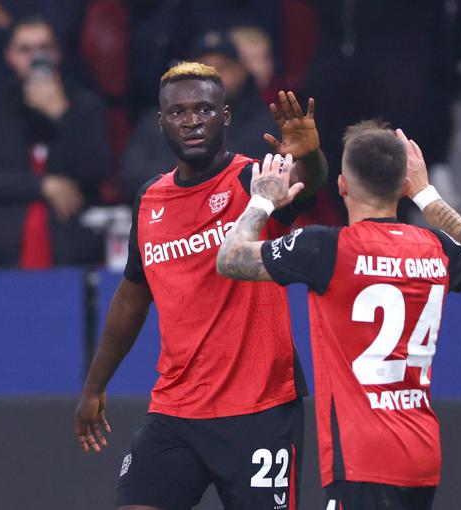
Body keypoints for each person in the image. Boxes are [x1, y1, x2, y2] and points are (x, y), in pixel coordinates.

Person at [74, 62, 327, 510]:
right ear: (160, 122)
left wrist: (311, 156)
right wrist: (94, 387)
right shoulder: (150, 199)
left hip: (260, 409)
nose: (191, 120)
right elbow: (133, 295)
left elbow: (306, 187)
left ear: (226, 116)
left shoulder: (254, 182)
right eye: (178, 112)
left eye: (205, 110)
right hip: (176, 410)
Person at [216, 120, 461, 509]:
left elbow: (228, 259)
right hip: (421, 452)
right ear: (402, 186)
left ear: (342, 185)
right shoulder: (434, 248)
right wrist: (427, 194)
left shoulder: (325, 249)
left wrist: (262, 199)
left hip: (364, 457)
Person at [0, 15, 108, 267]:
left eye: (44, 48)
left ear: (58, 54)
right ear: (9, 56)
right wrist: (42, 185)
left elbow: (96, 169)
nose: (36, 58)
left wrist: (62, 114)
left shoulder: (85, 106)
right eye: (25, 49)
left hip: (71, 244)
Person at [120, 31, 277, 202]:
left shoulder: (264, 123)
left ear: (240, 70)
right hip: (165, 211)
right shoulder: (157, 120)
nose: (212, 76)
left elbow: (259, 180)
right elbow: (130, 179)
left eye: (221, 67)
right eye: (203, 68)